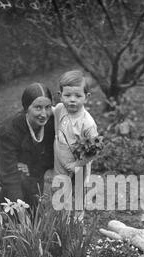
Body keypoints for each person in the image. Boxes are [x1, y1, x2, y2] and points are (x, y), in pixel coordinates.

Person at [0, 82, 55, 211]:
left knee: (34, 196)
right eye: (38, 108)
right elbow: (10, 174)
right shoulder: (9, 131)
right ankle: (6, 201)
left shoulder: (51, 123)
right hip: (3, 160)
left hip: (31, 158)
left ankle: (30, 205)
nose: (44, 113)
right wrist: (21, 213)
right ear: (26, 108)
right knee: (16, 184)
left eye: (47, 107)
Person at [52, 70, 98, 222]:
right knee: (61, 190)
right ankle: (63, 222)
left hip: (79, 163)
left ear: (86, 97)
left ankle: (78, 221)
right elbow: (49, 113)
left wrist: (77, 164)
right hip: (60, 158)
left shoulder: (87, 123)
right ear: (60, 95)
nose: (72, 100)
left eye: (78, 96)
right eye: (67, 95)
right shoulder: (60, 109)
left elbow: (93, 151)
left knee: (78, 193)